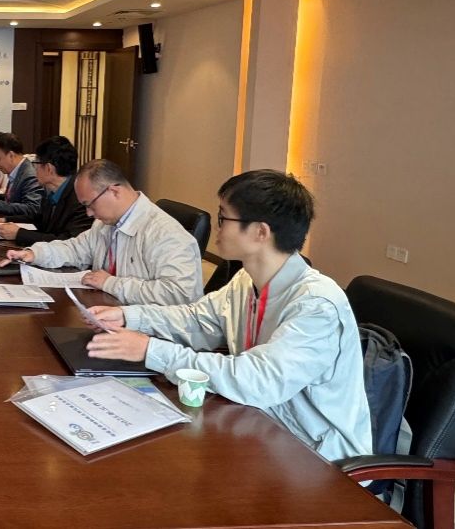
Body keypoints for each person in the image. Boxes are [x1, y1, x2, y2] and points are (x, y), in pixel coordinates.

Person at [84, 170, 372, 462]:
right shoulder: (247, 280)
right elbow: (197, 320)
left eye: (223, 217)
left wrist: (151, 350)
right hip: (258, 427)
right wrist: (129, 316)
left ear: (260, 232)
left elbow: (258, 381)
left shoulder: (317, 305)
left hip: (316, 457)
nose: (217, 228)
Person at [2, 159, 201, 304]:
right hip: (108, 314)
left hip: (149, 335)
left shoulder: (166, 234)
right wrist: (35, 253)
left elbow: (179, 294)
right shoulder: (106, 223)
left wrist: (111, 283)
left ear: (114, 191)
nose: (88, 213)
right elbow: (76, 249)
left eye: (89, 204)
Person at [0, 136, 91, 245]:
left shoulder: (81, 198)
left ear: (49, 168)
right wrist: (4, 220)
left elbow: (67, 242)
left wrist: (19, 234)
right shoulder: (51, 190)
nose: (34, 168)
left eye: (36, 163)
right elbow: (38, 218)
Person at [0, 133, 43, 218]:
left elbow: (32, 209)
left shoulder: (30, 175)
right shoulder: (18, 170)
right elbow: (10, 199)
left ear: (11, 155)